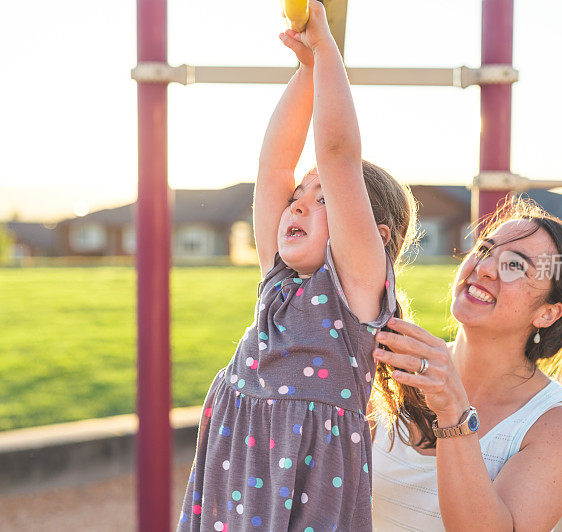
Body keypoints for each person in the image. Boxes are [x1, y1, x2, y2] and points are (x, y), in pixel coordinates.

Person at [177, 1, 417, 530]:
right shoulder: (279, 281)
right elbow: (274, 166)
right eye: (298, 198)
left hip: (305, 490)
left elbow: (336, 155)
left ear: (374, 237)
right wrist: (306, 70)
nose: (299, 203)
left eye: (323, 198)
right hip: (236, 475)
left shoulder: (354, 289)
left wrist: (327, 51)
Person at [369, 198, 562, 531]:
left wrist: (453, 413)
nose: (485, 268)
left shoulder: (559, 426)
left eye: (515, 266)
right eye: (485, 250)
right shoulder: (397, 370)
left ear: (547, 313)